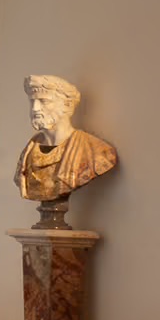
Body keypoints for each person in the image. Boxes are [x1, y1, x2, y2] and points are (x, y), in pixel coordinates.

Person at [15, 73, 117, 226]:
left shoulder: (95, 151)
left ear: (67, 106)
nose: (35, 108)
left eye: (44, 101)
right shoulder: (29, 151)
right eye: (32, 102)